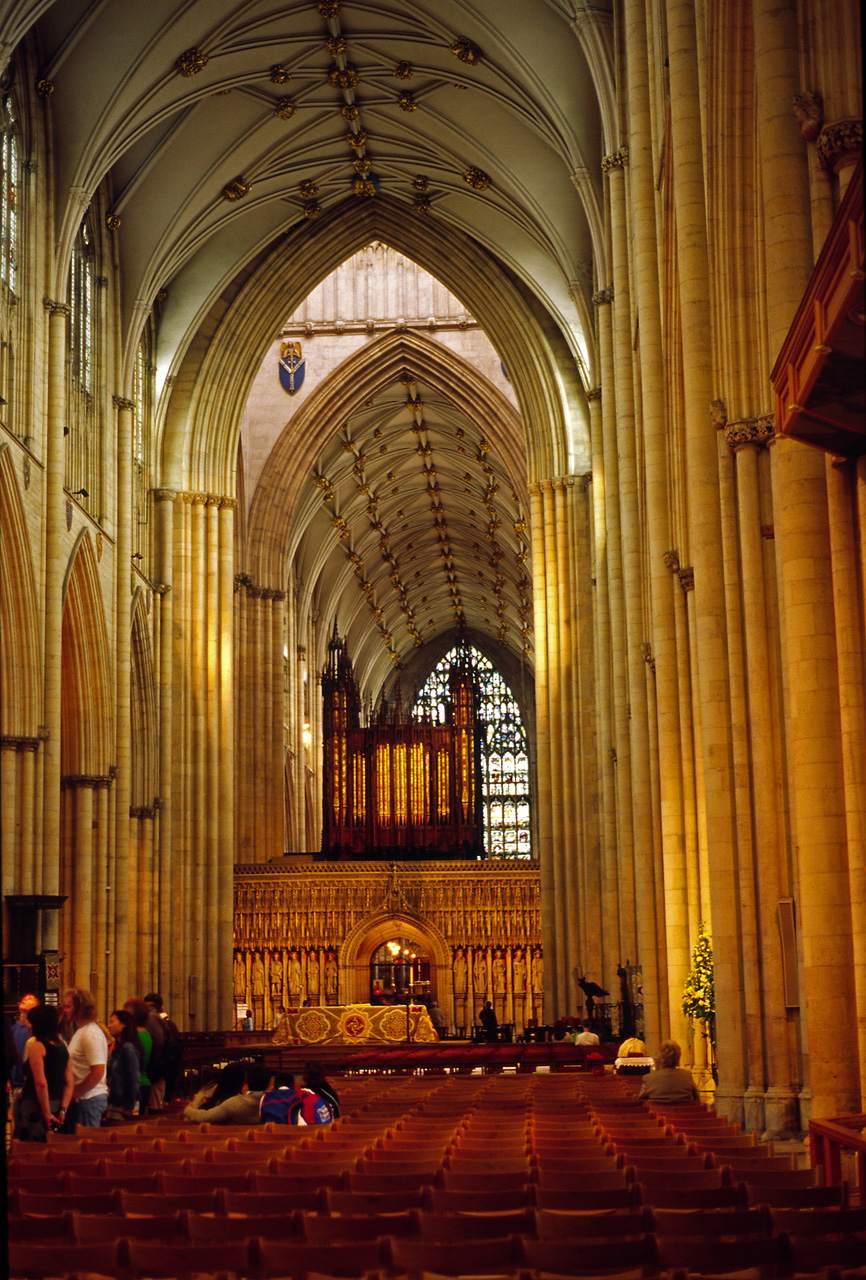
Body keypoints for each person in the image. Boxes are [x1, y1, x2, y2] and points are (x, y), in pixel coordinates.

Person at [12, 1003, 74, 1142]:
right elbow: (69, 1082)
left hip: (36, 1108)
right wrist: (62, 1110)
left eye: (30, 1022)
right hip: (57, 1108)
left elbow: (41, 1083)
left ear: (39, 1024)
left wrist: (46, 1114)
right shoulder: (62, 1045)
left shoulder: (37, 1046)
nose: (27, 1025)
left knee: (31, 1155)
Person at [62, 988, 109, 1127]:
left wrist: (75, 1093)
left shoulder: (90, 1034)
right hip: (84, 1099)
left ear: (80, 1008)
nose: (64, 1010)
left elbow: (98, 1071)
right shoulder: (81, 1031)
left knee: (85, 1144)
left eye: (68, 1007)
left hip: (89, 1099)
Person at [183, 1063, 271, 1124]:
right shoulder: (275, 1102)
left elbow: (205, 1117)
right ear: (268, 1084)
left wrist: (188, 1109)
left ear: (246, 1081)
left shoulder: (234, 1103)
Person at [144, 992, 183, 1104]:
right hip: (162, 1074)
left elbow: (173, 1051)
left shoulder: (165, 1024)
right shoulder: (169, 1024)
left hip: (158, 1075)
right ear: (162, 1007)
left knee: (156, 1107)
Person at [105, 1008, 142, 1120]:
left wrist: (130, 1106)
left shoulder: (128, 1048)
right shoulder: (117, 1047)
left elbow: (133, 1078)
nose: (109, 1025)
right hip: (116, 1102)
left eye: (112, 1022)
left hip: (125, 1106)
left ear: (123, 1024)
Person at [638, 1040, 699, 1104]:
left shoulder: (649, 1078)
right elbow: (697, 1098)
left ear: (660, 1058)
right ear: (678, 1057)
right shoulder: (687, 1076)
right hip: (683, 1113)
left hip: (658, 1113)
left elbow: (640, 1101)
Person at [10, 994, 39, 1091]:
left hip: (30, 1082)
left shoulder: (36, 1029)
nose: (25, 999)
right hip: (14, 1082)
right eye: (24, 998)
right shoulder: (14, 1028)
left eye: (30, 998)